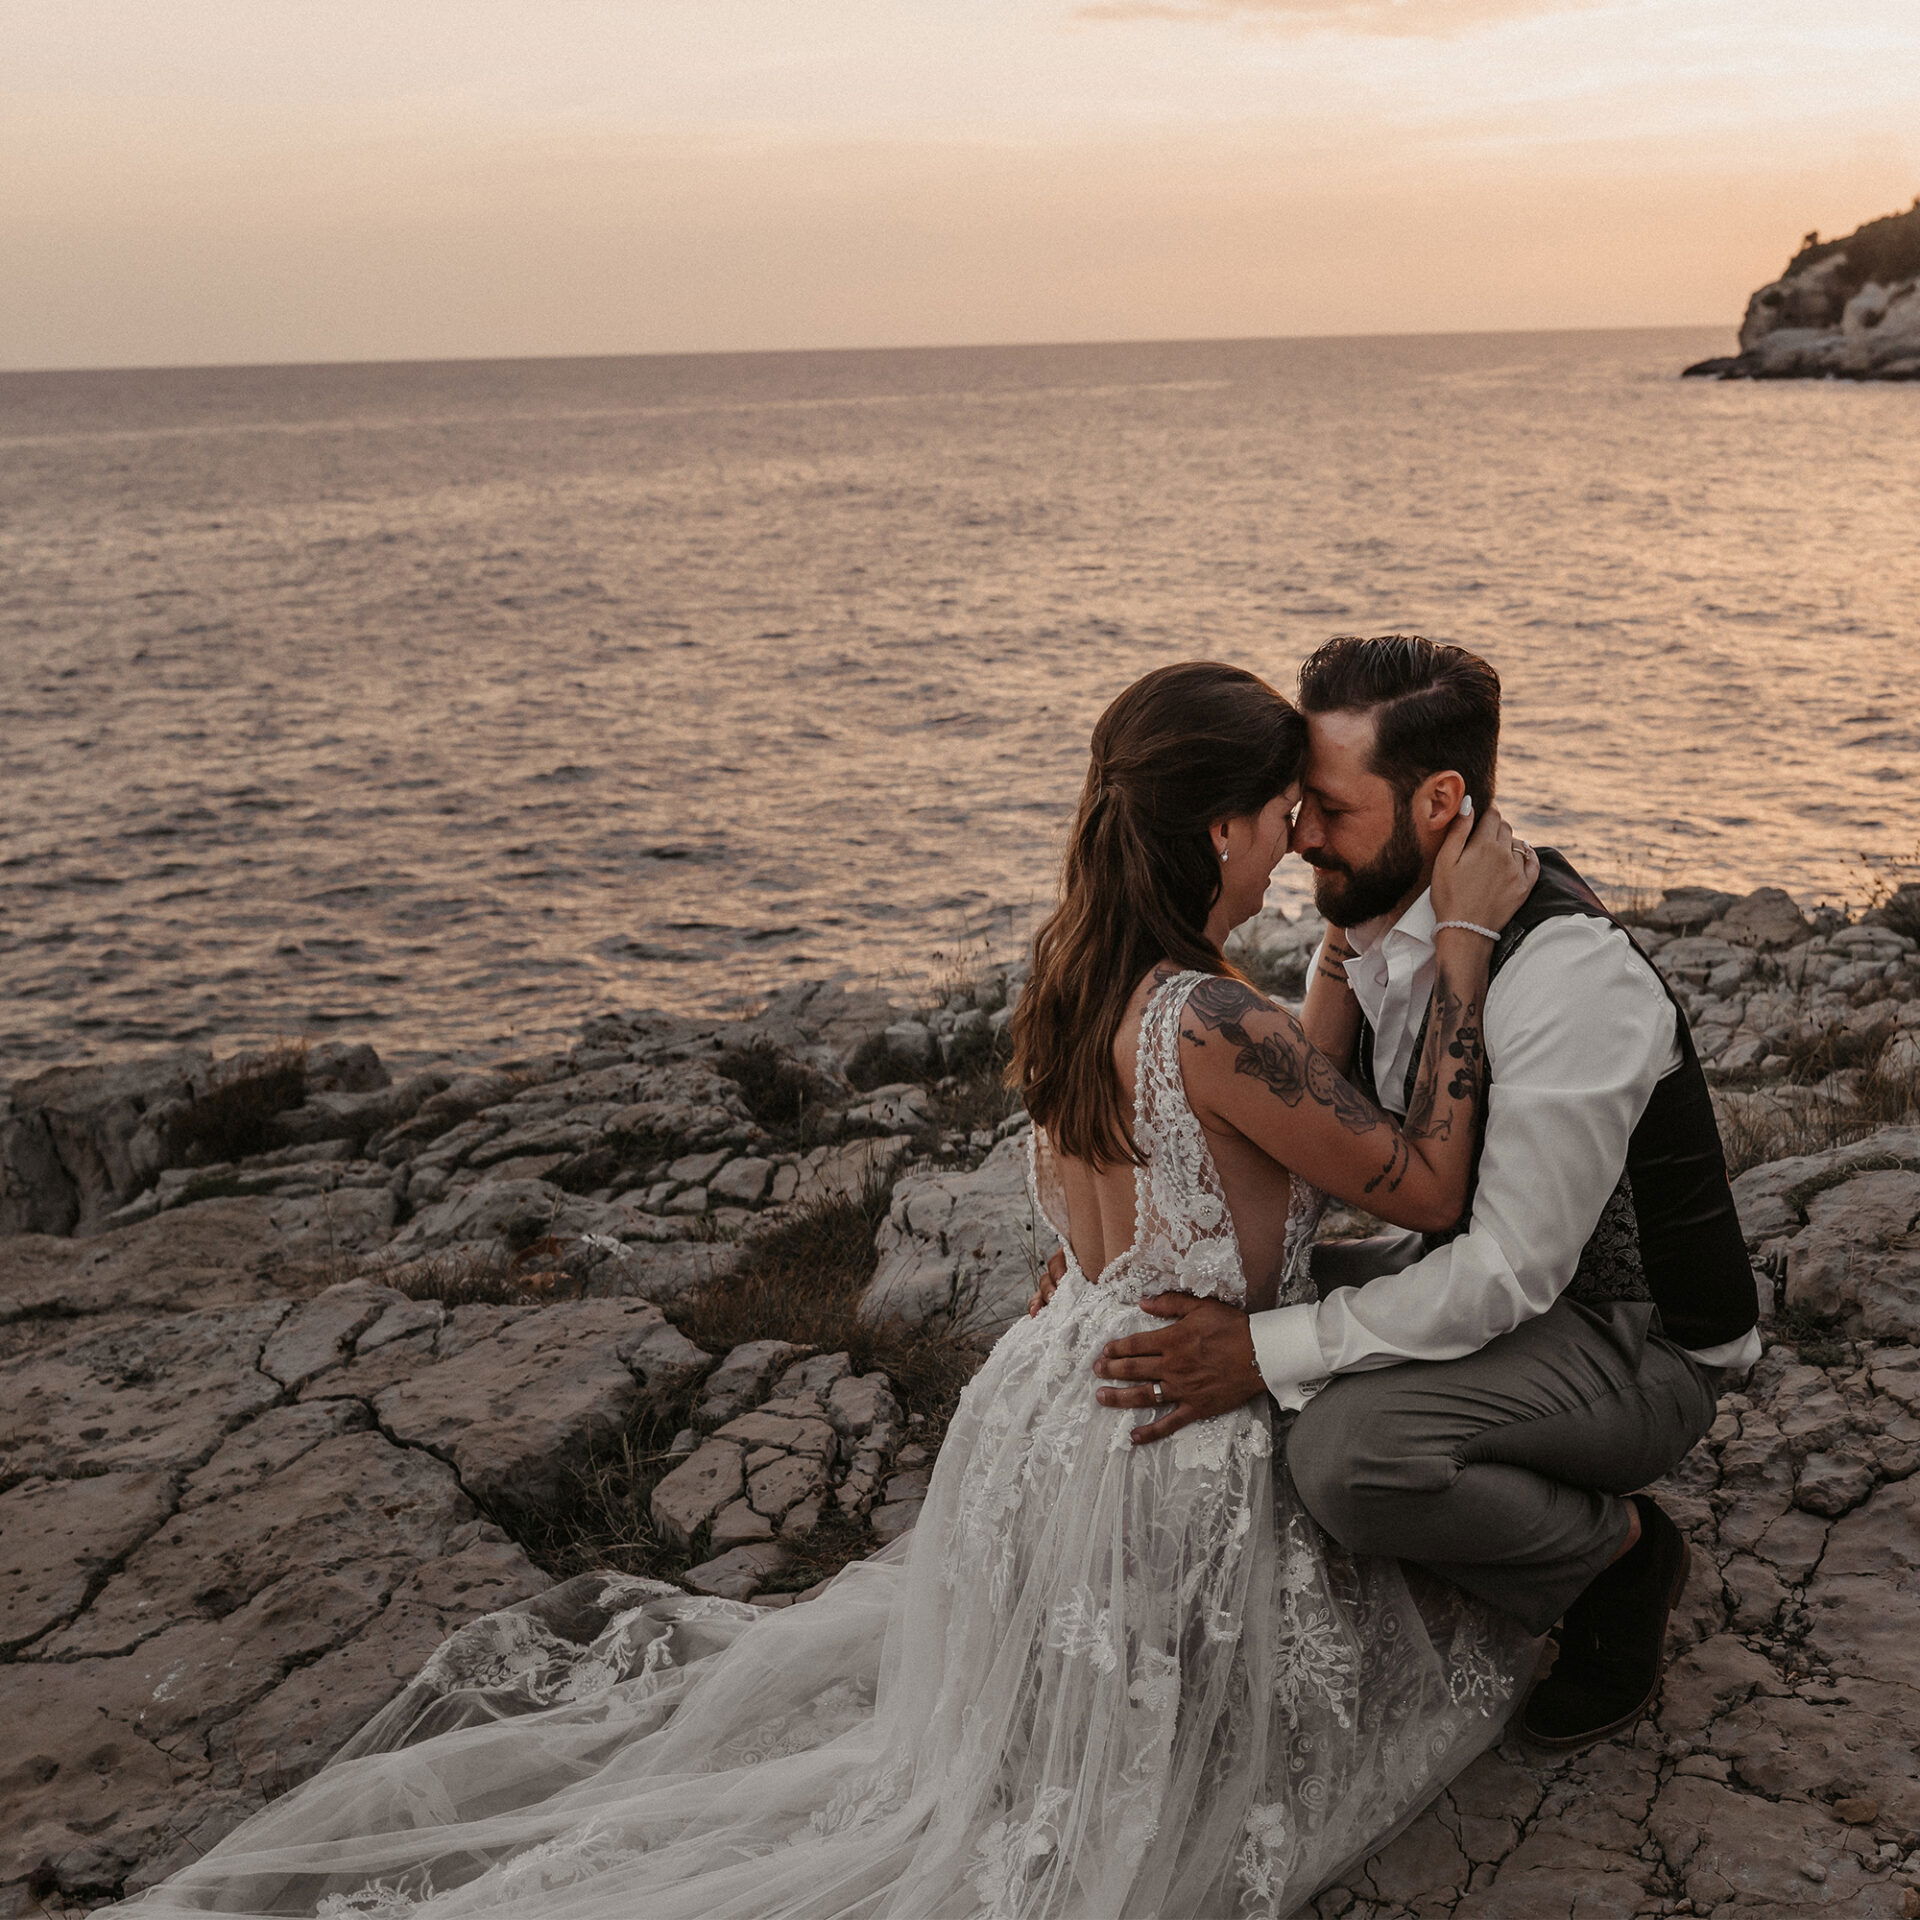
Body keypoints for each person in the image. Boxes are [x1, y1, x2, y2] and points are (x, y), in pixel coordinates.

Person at [117, 661, 1539, 1920]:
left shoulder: (1085, 982)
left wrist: (1346, 951)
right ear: (1220, 829)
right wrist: (1462, 941)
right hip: (1163, 1436)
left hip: (1048, 1415)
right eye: (1287, 811)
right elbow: (1412, 1181)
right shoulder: (1216, 1020)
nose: (1300, 838)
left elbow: (1282, 1112)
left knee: (973, 1781)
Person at [1089, 636, 1760, 1753]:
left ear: (1440, 801)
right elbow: (1312, 1142)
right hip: (1483, 1286)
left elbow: (1511, 1266)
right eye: (1296, 804)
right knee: (1186, 1317)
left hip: (1633, 1339)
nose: (1300, 833)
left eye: (1331, 810)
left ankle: (1618, 1567)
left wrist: (1264, 1350)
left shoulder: (1565, 973)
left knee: (1346, 1455)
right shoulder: (1375, 928)